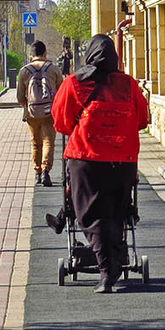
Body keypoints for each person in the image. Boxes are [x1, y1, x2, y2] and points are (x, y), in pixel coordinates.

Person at [51, 33, 148, 293]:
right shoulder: (128, 85)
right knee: (117, 210)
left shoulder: (74, 83)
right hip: (123, 159)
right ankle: (115, 258)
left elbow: (60, 122)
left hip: (86, 159)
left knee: (91, 213)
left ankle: (108, 269)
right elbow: (142, 119)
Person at [16, 40, 63, 186]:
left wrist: (27, 105)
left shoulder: (24, 70)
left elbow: (19, 97)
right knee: (49, 141)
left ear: (31, 56)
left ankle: (37, 173)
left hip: (32, 113)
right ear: (45, 54)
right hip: (50, 112)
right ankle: (45, 172)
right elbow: (61, 92)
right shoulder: (54, 69)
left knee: (35, 142)